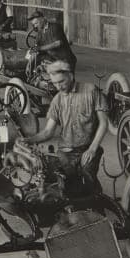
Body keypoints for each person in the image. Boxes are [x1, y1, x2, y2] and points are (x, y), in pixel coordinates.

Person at [21, 60, 109, 188]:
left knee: (88, 180)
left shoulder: (90, 90)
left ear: (71, 76)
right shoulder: (57, 100)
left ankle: (96, 203)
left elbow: (104, 123)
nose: (58, 87)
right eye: (55, 83)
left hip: (87, 148)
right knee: (66, 186)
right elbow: (47, 132)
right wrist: (29, 140)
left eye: (61, 82)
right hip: (65, 152)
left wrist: (92, 149)